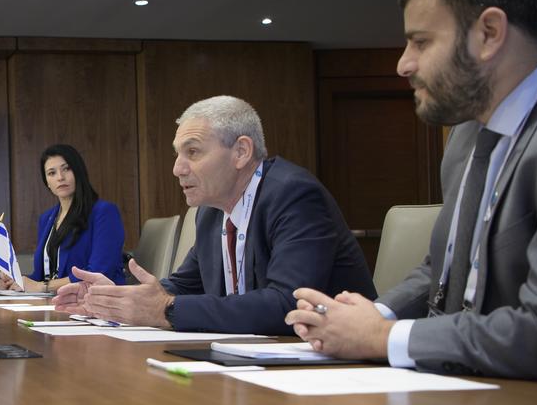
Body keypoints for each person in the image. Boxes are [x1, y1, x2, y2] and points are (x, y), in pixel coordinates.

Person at [287, 0, 537, 381]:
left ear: (489, 34)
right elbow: (443, 271)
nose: (404, 64)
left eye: (421, 42)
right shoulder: (467, 137)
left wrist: (383, 338)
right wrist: (369, 316)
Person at [55, 96, 374, 335]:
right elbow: (181, 286)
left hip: (336, 366)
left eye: (192, 152)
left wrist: (165, 310)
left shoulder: (293, 195)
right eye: (177, 154)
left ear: (241, 152)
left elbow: (286, 306)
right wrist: (115, 298)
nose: (177, 169)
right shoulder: (209, 213)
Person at [0, 144, 126, 292]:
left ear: (79, 172)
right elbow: (43, 275)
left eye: (66, 169)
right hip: (55, 302)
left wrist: (43, 287)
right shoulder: (46, 219)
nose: (60, 177)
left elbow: (99, 272)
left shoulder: (104, 212)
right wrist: (16, 282)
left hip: (96, 302)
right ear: (47, 182)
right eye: (52, 173)